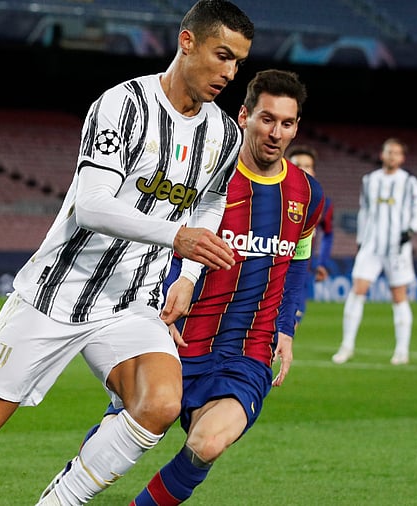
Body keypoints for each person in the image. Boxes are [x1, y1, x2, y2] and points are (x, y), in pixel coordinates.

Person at [0, 2, 254, 504]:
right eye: (222, 55)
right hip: (58, 292)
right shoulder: (125, 105)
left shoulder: (224, 134)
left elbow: (210, 200)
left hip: (130, 302)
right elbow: (91, 207)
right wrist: (176, 237)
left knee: (161, 404)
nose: (229, 73)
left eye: (238, 63)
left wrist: (185, 274)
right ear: (188, 42)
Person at [66, 68, 323, 505]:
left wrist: (286, 326)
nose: (276, 132)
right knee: (127, 434)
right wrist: (156, 307)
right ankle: (67, 491)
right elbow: (160, 242)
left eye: (286, 123)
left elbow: (297, 264)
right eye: (266, 119)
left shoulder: (307, 194)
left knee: (208, 444)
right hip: (180, 337)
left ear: (296, 126)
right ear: (244, 115)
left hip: (247, 350)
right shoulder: (205, 179)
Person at [332, 138, 417, 366]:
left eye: (396, 153)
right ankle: (346, 346)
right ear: (382, 154)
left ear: (402, 158)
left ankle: (402, 351)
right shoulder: (369, 180)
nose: (392, 156)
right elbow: (364, 211)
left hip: (397, 248)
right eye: (388, 152)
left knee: (399, 295)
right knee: (358, 289)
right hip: (371, 245)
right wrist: (360, 240)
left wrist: (411, 231)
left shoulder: (409, 182)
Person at [286, 144, 335, 327]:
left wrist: (321, 262)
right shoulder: (273, 195)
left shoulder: (323, 203)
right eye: (298, 165)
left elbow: (328, 234)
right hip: (271, 270)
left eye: (308, 166)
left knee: (290, 327)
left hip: (301, 272)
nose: (303, 170)